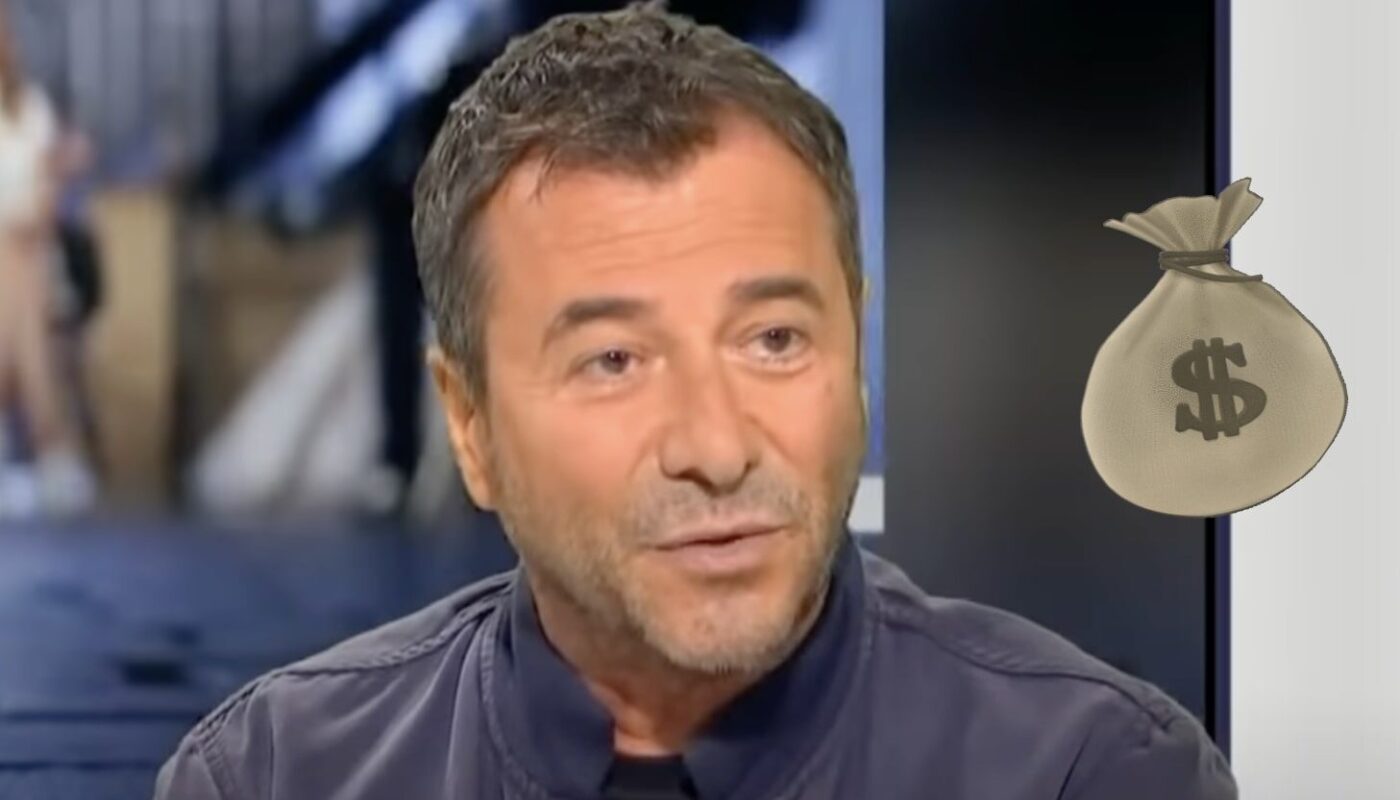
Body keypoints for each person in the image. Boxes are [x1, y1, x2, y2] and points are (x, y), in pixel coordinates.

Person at [155, 3, 1237, 798]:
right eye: (614, 360)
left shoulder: (1089, 770)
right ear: (469, 423)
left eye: (773, 340)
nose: (717, 448)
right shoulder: (275, 776)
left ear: (855, 350)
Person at [0, 7, 96, 518]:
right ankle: (49, 442)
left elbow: (45, 188)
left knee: (21, 280)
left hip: (31, 248)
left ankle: (39, 446)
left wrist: (56, 176)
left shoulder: (31, 107)